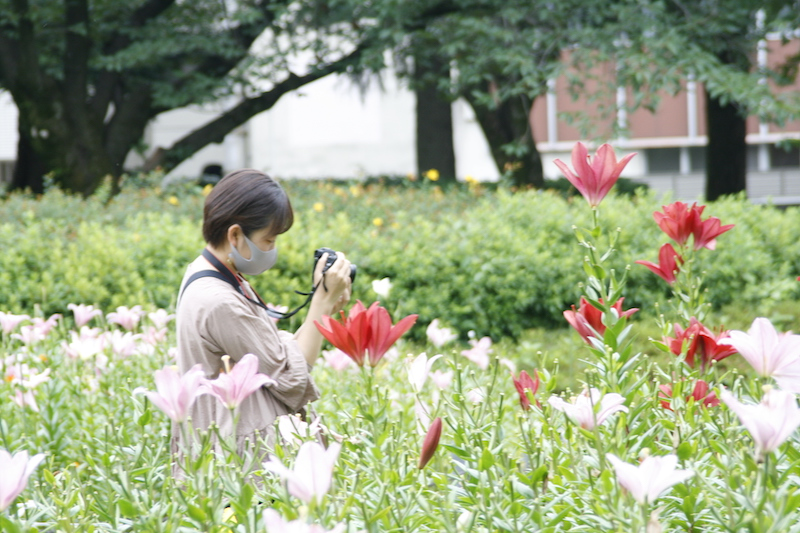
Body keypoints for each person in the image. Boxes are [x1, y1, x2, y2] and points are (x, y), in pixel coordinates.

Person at [174, 169, 352, 461]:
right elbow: (289, 378)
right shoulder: (219, 300)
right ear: (235, 234)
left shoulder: (213, 274)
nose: (273, 249)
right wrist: (320, 302)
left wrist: (326, 305)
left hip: (228, 447)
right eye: (269, 240)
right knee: (245, 511)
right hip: (238, 468)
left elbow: (272, 359)